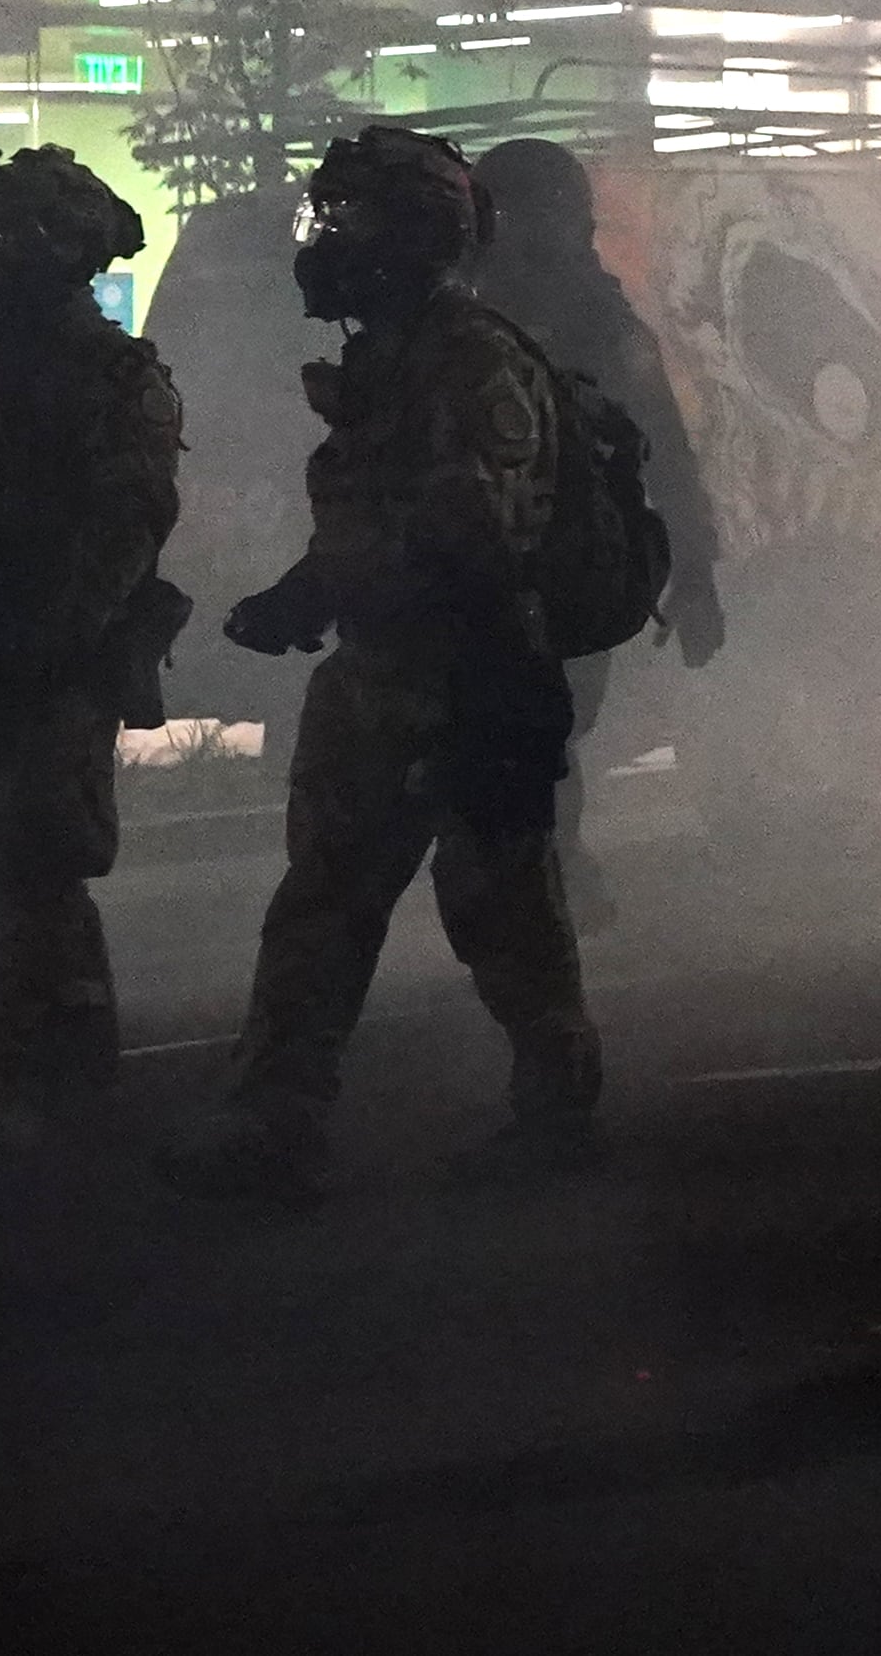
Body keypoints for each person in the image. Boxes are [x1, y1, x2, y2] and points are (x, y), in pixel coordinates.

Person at [165, 128, 600, 1202]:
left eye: (348, 224)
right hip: (378, 678)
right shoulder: (393, 358)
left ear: (412, 240)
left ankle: (559, 1106)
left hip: (470, 681)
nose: (324, 246)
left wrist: (319, 590)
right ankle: (274, 1118)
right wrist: (312, 595)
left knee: (501, 913)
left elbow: (466, 530)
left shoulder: (474, 360)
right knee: (323, 901)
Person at [0, 146, 181, 1118]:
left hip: (55, 652)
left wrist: (54, 634)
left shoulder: (107, 370)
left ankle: (71, 1043)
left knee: (43, 848)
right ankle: (29, 1031)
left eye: (4, 238)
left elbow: (128, 518)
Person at [468, 136, 724, 921]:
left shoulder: (599, 328)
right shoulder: (455, 321)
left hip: (553, 582)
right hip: (472, 584)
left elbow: (665, 456)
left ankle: (548, 892)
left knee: (539, 750)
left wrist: (695, 574)